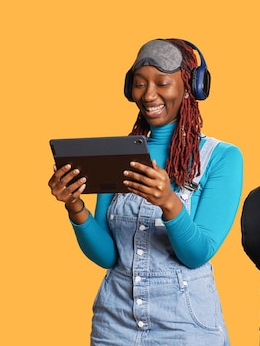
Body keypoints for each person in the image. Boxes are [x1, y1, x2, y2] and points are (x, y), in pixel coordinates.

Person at [48, 38, 243, 346]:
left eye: (162, 83)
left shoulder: (221, 158)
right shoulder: (119, 153)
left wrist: (169, 202)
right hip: (115, 324)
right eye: (140, 84)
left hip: (186, 327)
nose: (149, 95)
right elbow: (109, 256)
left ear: (192, 85)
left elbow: (197, 254)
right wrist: (75, 207)